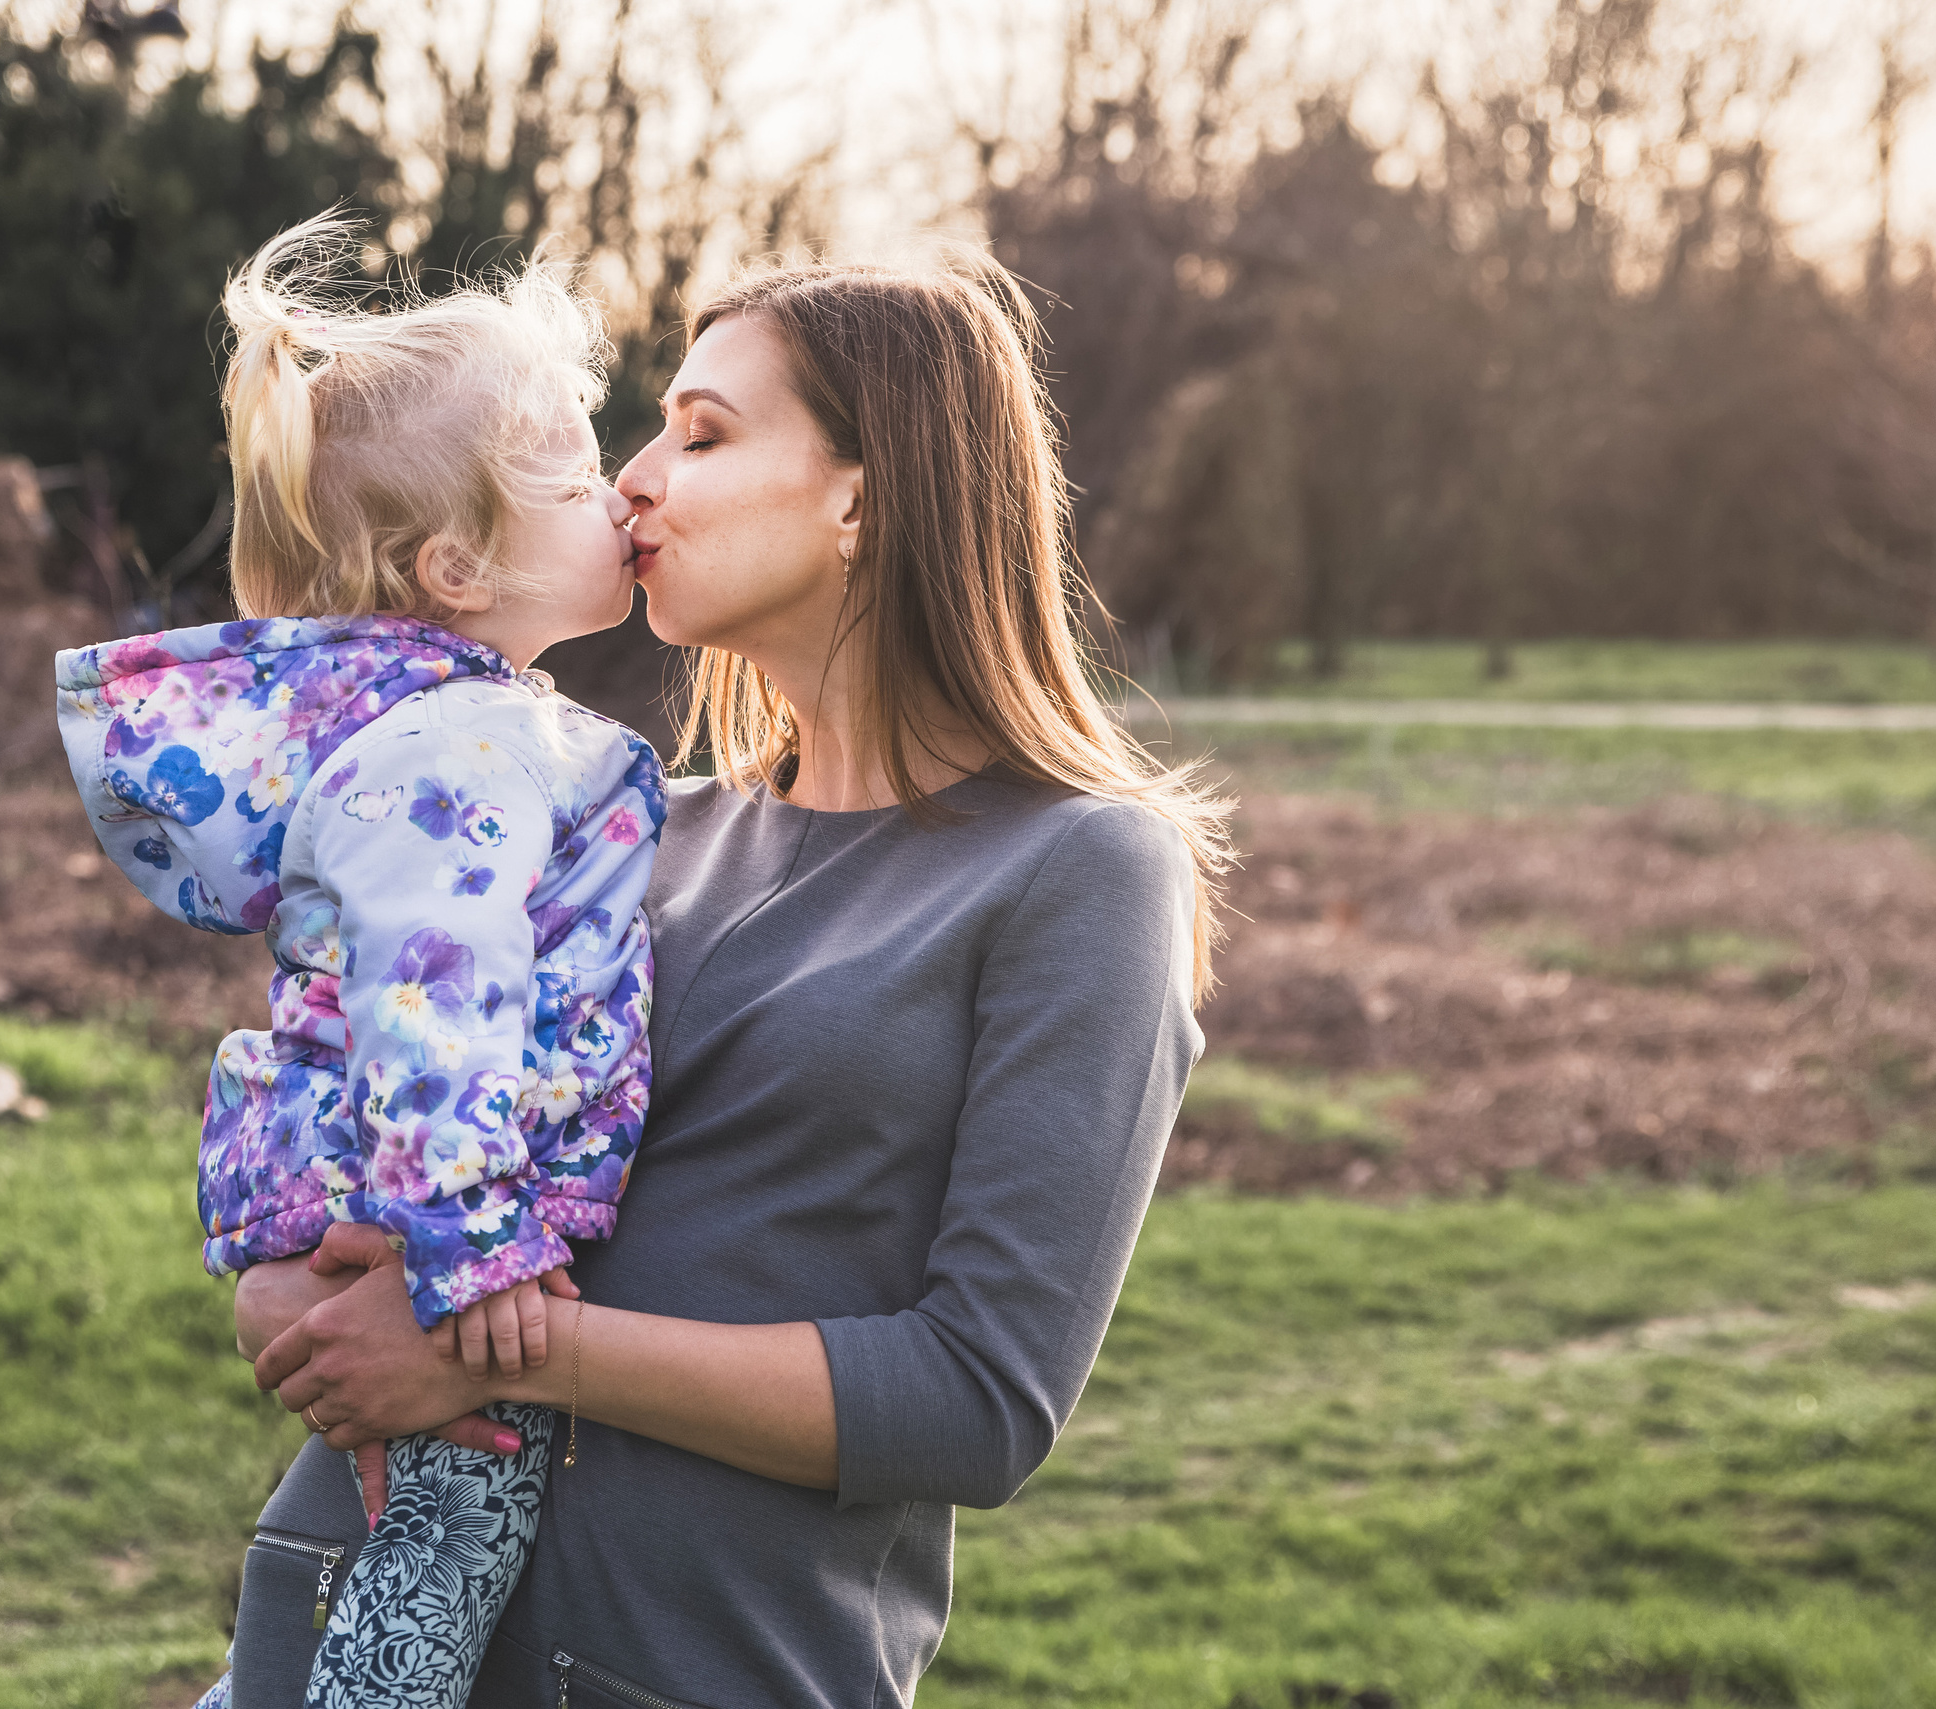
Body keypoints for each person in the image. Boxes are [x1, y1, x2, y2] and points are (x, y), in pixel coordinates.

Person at [241, 251, 1233, 1709]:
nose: (633, 480)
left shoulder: (1082, 871)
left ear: (865, 493)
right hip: (332, 1618)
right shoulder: (620, 830)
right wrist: (283, 1292)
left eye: (701, 434)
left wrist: (508, 1346)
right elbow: (354, 1106)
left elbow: (974, 1400)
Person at [56, 214, 666, 1709]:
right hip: (428, 1228)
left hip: (388, 1200)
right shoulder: (459, 748)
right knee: (456, 1522)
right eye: (583, 477)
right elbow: (431, 987)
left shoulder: (444, 725)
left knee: (417, 1517)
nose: (623, 494)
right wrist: (476, 1245)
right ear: (456, 562)